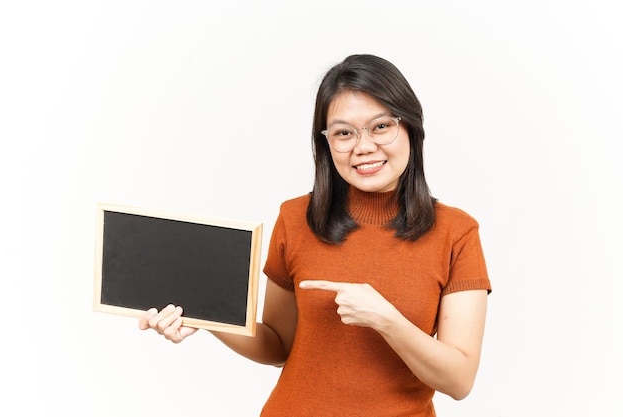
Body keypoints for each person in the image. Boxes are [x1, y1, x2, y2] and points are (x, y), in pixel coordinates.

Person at [139, 54, 492, 416]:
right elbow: (278, 346)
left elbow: (459, 381)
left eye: (381, 126)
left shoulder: (456, 232)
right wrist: (205, 315)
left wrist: (386, 320)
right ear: (326, 143)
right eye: (343, 133)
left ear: (410, 128)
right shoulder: (296, 219)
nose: (363, 146)